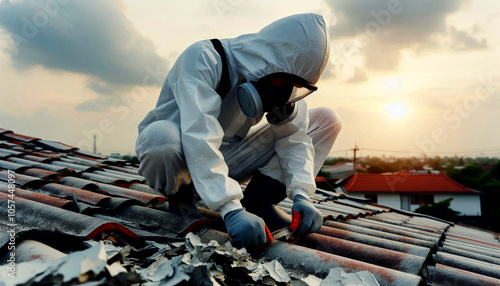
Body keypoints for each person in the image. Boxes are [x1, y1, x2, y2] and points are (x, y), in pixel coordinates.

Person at [135, 13, 341, 250]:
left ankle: (259, 201)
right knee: (160, 138)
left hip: (228, 161)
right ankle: (181, 200)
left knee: (325, 119)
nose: (285, 94)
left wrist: (302, 193)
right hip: (181, 164)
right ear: (269, 61)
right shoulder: (204, 58)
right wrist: (230, 209)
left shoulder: (280, 82)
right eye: (283, 83)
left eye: (294, 88)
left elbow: (294, 138)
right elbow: (198, 136)